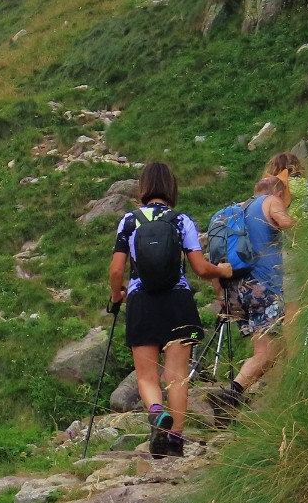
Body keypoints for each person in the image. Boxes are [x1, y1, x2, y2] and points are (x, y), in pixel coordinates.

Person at [109, 162, 232, 457]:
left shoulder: (129, 221)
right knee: (176, 376)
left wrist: (117, 297)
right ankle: (175, 439)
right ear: (171, 187)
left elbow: (116, 270)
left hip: (142, 302)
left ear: (143, 188)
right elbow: (201, 269)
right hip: (178, 302)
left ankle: (155, 412)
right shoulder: (181, 220)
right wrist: (223, 271)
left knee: (147, 376)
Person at [214, 175, 296, 421]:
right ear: (279, 192)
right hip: (264, 286)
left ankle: (235, 397)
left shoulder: (234, 212)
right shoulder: (271, 201)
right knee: (269, 352)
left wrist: (221, 295)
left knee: (265, 348)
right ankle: (232, 393)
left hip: (236, 290)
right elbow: (285, 222)